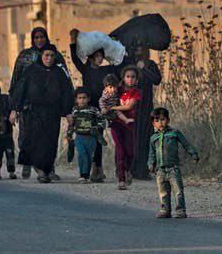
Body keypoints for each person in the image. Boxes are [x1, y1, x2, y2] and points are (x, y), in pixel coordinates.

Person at [9, 27, 67, 179]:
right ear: (32, 39)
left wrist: (67, 109)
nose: (39, 40)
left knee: (50, 138)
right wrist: (14, 106)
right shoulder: (25, 56)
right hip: (29, 105)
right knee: (28, 136)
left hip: (51, 107)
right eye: (36, 37)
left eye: (42, 37)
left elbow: (65, 83)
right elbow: (17, 80)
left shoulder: (57, 57)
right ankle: (30, 164)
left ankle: (48, 169)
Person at [69, 28, 120, 183]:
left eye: (101, 57)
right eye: (97, 57)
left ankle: (98, 169)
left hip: (101, 108)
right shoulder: (85, 69)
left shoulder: (107, 70)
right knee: (87, 136)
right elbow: (75, 60)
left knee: (98, 136)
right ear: (91, 58)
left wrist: (115, 44)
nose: (100, 59)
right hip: (87, 109)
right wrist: (72, 41)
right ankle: (91, 168)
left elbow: (118, 65)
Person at [148, 107, 199, 219]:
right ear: (153, 123)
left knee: (178, 190)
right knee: (163, 192)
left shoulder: (175, 133)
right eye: (157, 121)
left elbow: (186, 144)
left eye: (162, 119)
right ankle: (165, 210)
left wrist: (193, 154)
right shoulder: (153, 138)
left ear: (168, 120)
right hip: (160, 170)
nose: (160, 123)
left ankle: (180, 210)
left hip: (173, 168)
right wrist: (151, 164)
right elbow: (151, 153)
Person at [123, 44, 163, 181]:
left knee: (146, 139)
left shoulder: (150, 64)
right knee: (132, 139)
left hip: (145, 108)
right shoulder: (129, 64)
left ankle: (142, 169)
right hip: (131, 108)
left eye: (141, 49)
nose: (139, 51)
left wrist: (143, 68)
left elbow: (157, 80)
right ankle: (130, 169)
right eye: (136, 49)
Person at [110, 66, 141, 190]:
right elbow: (107, 98)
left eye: (133, 77)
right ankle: (121, 179)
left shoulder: (137, 92)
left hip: (130, 124)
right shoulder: (117, 90)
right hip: (116, 124)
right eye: (128, 76)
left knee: (130, 151)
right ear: (123, 78)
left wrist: (113, 108)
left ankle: (127, 170)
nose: (130, 79)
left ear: (137, 80)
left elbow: (129, 106)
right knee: (120, 149)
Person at [68, 88, 107, 184]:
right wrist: (69, 134)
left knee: (89, 157)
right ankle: (82, 175)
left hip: (91, 137)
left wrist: (96, 127)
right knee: (82, 154)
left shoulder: (93, 110)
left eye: (84, 98)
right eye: (79, 98)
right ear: (76, 99)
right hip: (79, 137)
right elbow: (71, 124)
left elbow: (102, 121)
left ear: (88, 99)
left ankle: (86, 175)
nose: (82, 100)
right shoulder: (74, 111)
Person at [0, 93, 17, 180]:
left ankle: (11, 172)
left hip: (8, 137)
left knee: (10, 155)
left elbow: (14, 119)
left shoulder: (10, 113)